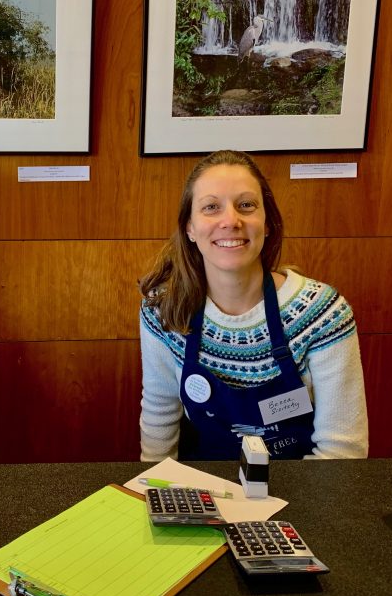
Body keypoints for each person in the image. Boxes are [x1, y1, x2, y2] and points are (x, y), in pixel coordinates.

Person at [138, 150, 367, 461]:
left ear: (267, 222)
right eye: (211, 207)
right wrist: (157, 497)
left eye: (246, 205)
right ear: (189, 228)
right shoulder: (162, 311)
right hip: (204, 496)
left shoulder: (323, 312)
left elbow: (342, 451)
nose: (230, 220)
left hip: (299, 495)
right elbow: (159, 415)